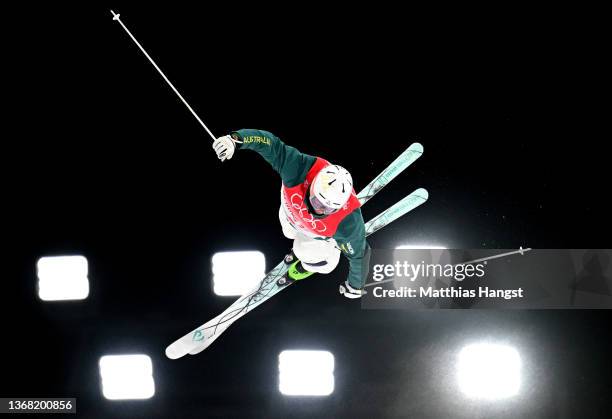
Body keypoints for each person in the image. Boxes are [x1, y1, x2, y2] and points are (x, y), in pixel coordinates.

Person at [212, 129, 370, 299]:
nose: (318, 210)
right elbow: (270, 144)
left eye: (327, 209)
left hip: (314, 235)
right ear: (313, 185)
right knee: (288, 232)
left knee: (324, 263)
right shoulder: (298, 169)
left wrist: (355, 286)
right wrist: (236, 140)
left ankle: (319, 256)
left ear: (339, 207)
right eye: (317, 201)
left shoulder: (348, 221)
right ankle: (305, 245)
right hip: (289, 217)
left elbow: (359, 255)